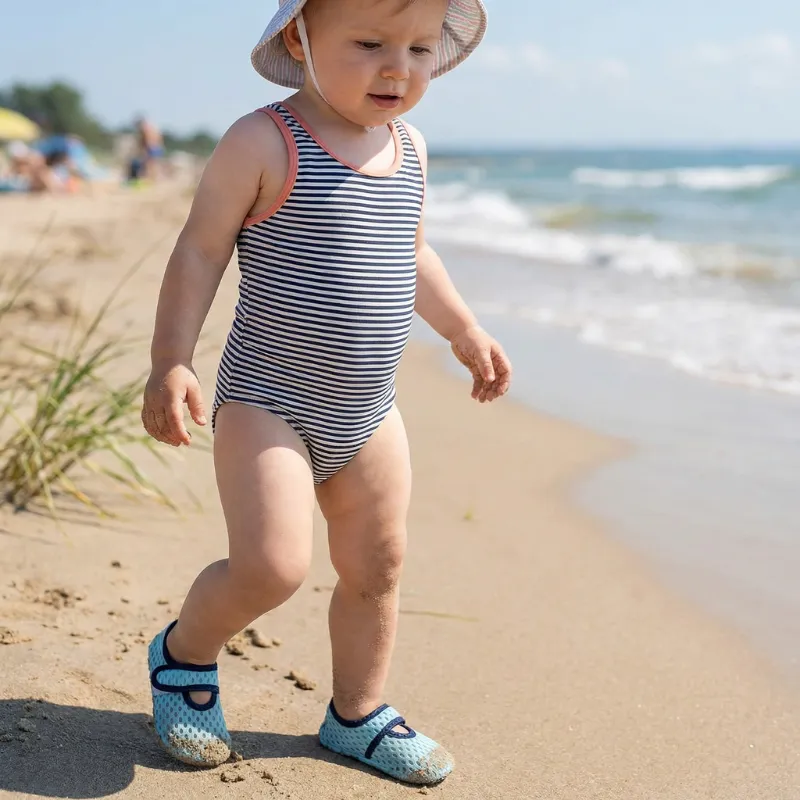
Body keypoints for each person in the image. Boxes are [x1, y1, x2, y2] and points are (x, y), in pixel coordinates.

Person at [141, 0, 510, 785]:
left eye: (420, 49)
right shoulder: (263, 141)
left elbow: (413, 253)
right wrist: (172, 360)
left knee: (379, 564)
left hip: (368, 409)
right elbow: (201, 250)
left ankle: (356, 712)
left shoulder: (410, 147)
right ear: (297, 36)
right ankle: (184, 655)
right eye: (370, 42)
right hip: (266, 400)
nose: (398, 68)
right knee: (272, 566)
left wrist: (463, 328)